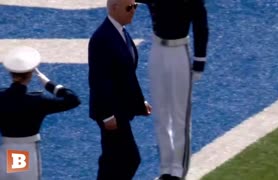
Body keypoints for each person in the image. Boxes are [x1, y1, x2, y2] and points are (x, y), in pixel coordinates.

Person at [136, 0, 209, 179]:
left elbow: (201, 24)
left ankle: (178, 170)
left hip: (179, 51)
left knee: (179, 115)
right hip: (157, 50)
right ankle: (165, 168)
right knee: (160, 114)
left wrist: (199, 60)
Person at [88, 0, 152, 179]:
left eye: (135, 6)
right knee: (129, 158)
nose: (133, 11)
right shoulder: (102, 38)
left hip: (120, 109)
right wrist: (107, 115)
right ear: (114, 8)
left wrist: (140, 103)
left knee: (113, 159)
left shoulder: (120, 32)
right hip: (111, 113)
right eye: (129, 7)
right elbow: (98, 80)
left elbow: (126, 76)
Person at [0, 46, 81, 180]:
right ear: (30, 74)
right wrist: (50, 84)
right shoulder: (37, 100)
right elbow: (73, 100)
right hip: (27, 150)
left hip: (6, 148)